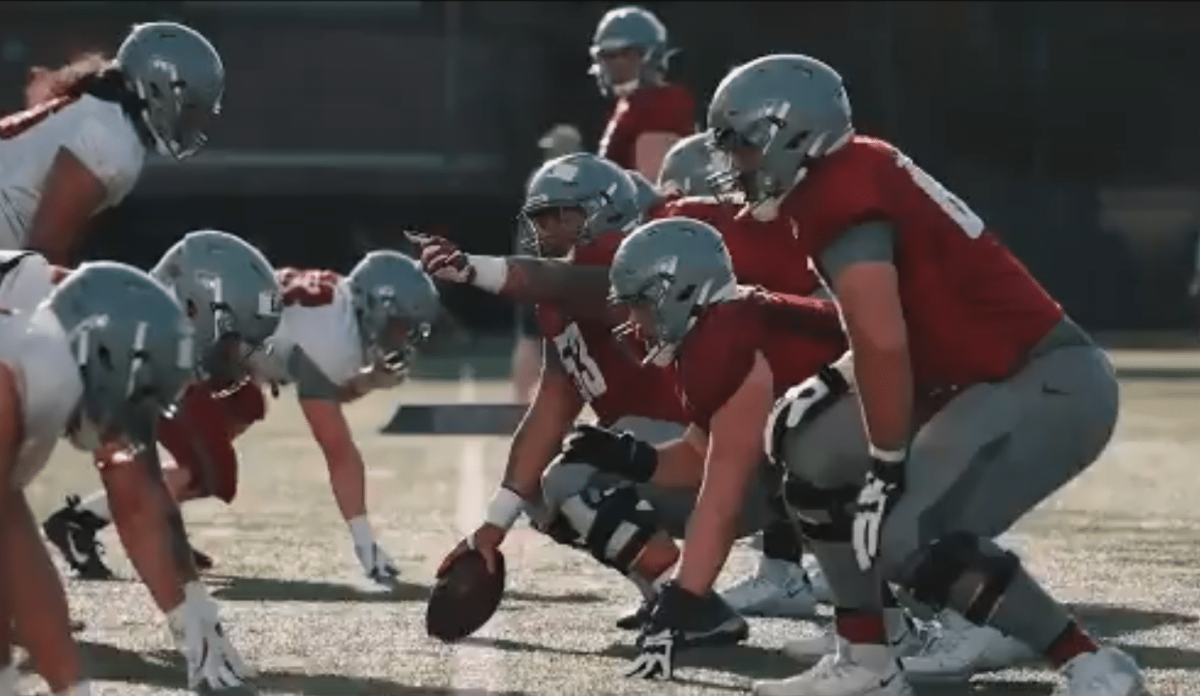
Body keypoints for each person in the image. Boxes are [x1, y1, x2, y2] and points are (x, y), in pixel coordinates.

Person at [705, 53, 1144, 696]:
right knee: (806, 440)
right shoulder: (846, 171)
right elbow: (889, 327)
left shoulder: (840, 190)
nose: (734, 163)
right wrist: (829, 392)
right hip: (973, 380)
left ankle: (1089, 663)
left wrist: (885, 463)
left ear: (791, 134)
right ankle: (870, 656)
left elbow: (883, 337)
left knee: (902, 532)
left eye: (741, 145)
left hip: (1042, 380)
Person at [415, 153, 834, 638]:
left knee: (576, 473)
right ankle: (673, 598)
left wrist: (474, 270)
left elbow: (560, 280)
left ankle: (691, 603)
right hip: (676, 459)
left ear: (604, 212)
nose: (545, 228)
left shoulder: (631, 267)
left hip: (729, 465)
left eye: (559, 214)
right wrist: (493, 525)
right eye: (540, 216)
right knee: (544, 490)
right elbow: (549, 409)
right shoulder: (566, 304)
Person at [0, 260, 231, 696]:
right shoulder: (31, 368)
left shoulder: (49, 349)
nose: (133, 423)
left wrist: (70, 685)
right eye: (141, 395)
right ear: (105, 355)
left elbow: (13, 538)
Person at [44, 230, 283, 581]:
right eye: (231, 337)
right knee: (207, 466)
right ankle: (87, 522)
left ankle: (101, 519)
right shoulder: (124, 320)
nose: (236, 351)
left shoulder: (148, 308)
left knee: (242, 405)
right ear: (193, 304)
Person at [0, 22, 223, 264]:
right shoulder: (111, 139)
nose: (193, 122)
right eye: (191, 109)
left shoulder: (101, 111)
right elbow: (45, 249)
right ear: (160, 90)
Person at [512, 125, 584, 404]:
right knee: (545, 339)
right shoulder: (575, 182)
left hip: (532, 269)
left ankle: (522, 402)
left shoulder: (540, 178)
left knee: (530, 337)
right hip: (552, 269)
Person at [590, 6, 695, 179]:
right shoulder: (628, 103)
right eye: (606, 55)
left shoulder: (663, 103)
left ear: (652, 56)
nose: (614, 64)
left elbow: (651, 187)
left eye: (625, 53)